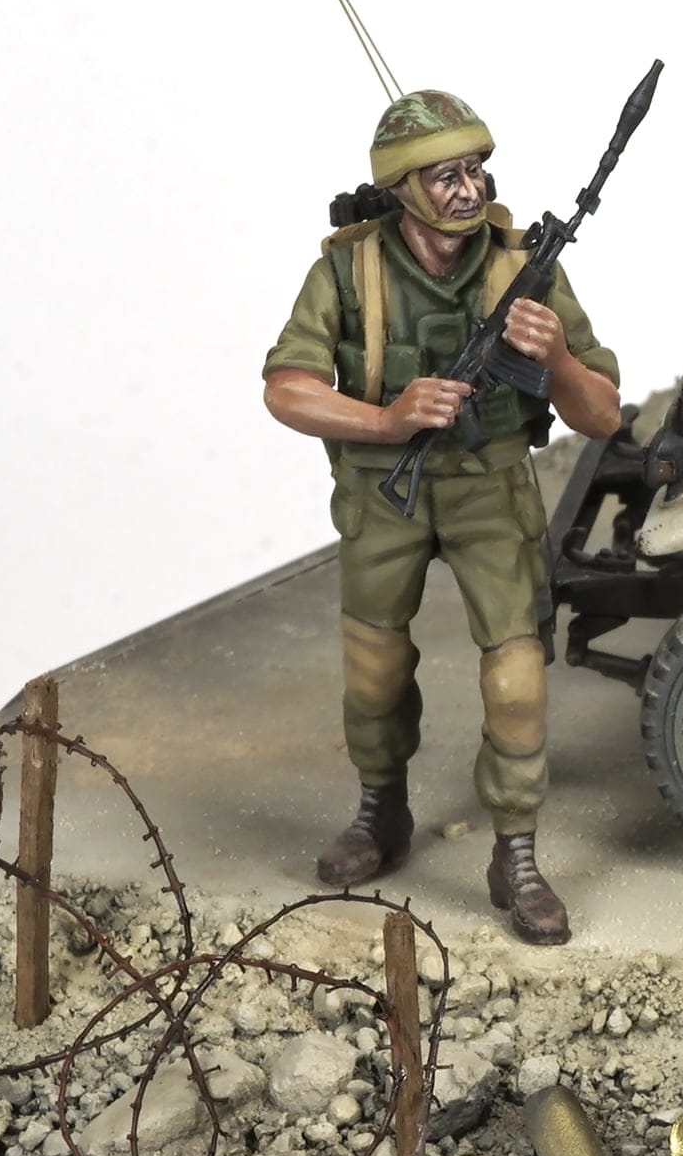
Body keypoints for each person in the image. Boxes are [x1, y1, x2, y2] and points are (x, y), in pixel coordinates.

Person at [262, 89, 621, 944]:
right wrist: (386, 420)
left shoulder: (523, 266)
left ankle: (516, 850)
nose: (469, 189)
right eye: (446, 175)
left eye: (475, 171)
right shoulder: (348, 271)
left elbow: (604, 415)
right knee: (374, 670)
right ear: (402, 186)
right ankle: (380, 809)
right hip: (382, 489)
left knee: (518, 677)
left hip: (491, 486)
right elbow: (286, 388)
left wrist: (556, 358)